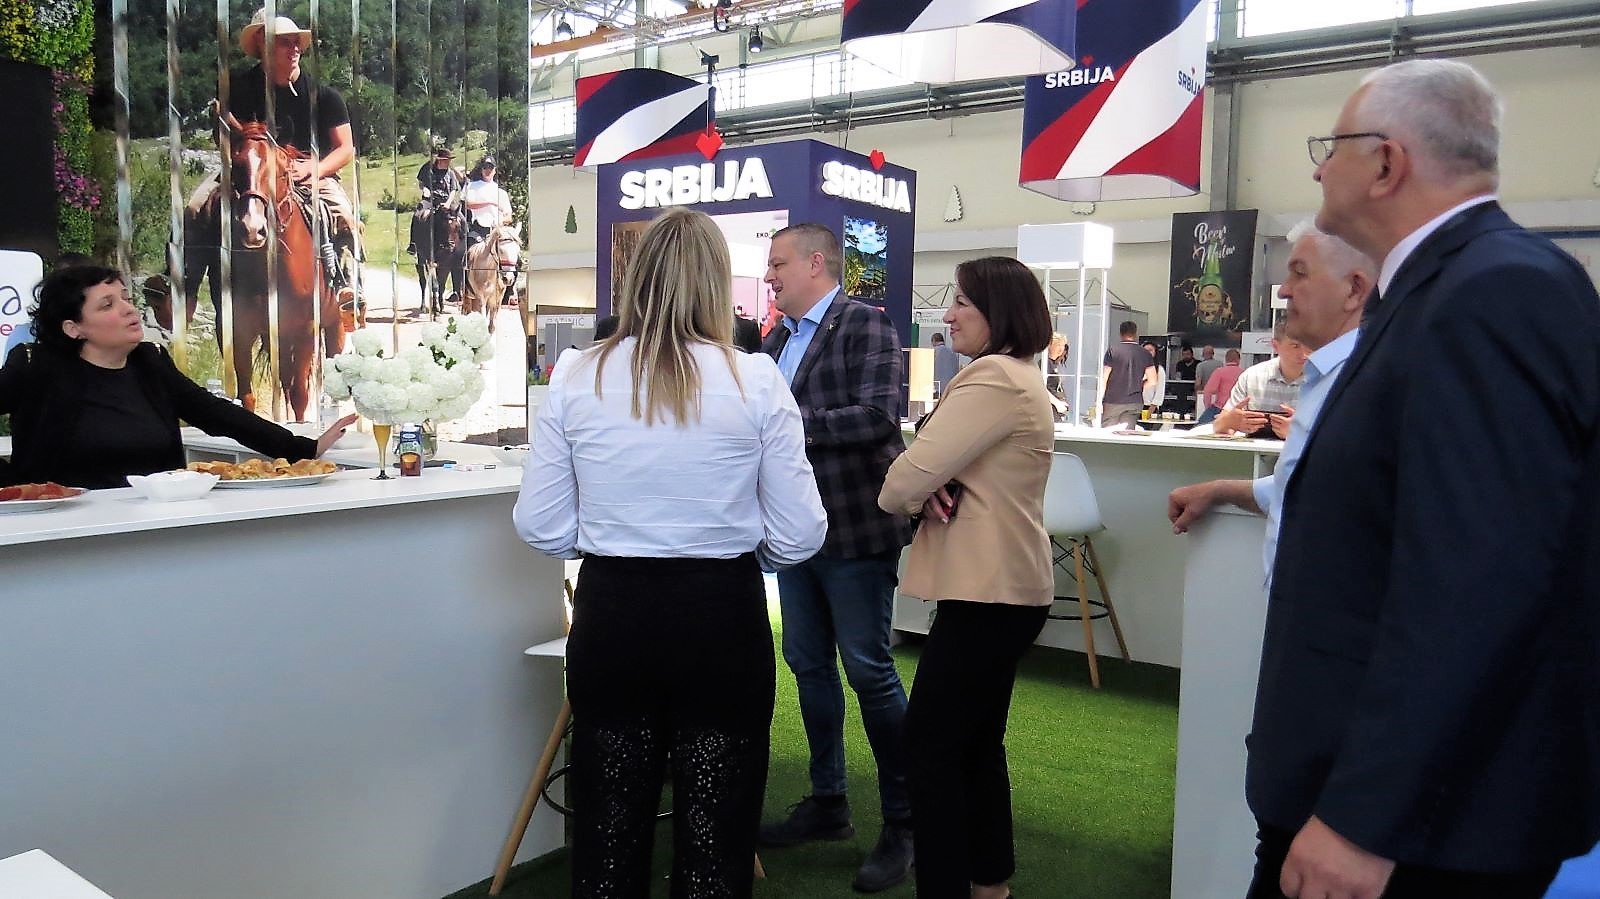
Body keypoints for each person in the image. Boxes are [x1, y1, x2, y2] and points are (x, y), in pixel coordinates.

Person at [1243, 59, 1600, 899]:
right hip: (1374, 793)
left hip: (1418, 829)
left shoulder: (1494, 291)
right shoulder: (1441, 290)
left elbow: (1478, 584)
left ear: (1385, 162)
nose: (1318, 169)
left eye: (1329, 147)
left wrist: (1366, 818)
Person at [512, 208, 827, 897]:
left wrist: (608, 538)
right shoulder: (755, 379)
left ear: (637, 278)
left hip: (613, 610)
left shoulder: (577, 373)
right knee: (716, 833)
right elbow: (801, 532)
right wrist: (737, 552)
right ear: (717, 282)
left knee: (608, 829)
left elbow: (540, 524)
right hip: (721, 612)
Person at [878, 256, 1054, 899]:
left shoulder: (993, 378)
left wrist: (922, 486)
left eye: (962, 304)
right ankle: (988, 882)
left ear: (998, 314)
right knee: (976, 743)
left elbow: (902, 480)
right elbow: (929, 474)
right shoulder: (1017, 376)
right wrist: (929, 484)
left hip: (989, 592)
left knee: (930, 748)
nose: (947, 315)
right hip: (1002, 589)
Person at [757, 222, 915, 892]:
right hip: (796, 533)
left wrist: (783, 425)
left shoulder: (864, 323)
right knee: (808, 664)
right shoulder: (774, 341)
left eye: (778, 263)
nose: (769, 275)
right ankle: (829, 803)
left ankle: (905, 821)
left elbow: (877, 417)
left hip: (854, 529)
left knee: (868, 670)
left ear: (816, 262)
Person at [0, 265, 354, 490]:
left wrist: (302, 449)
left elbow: (215, 413)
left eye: (125, 298)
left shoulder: (149, 361)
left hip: (156, 522)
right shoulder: (34, 366)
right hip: (63, 531)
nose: (128, 309)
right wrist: (11, 486)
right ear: (73, 328)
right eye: (107, 305)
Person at [1167, 221, 1374, 585]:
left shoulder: (1370, 384)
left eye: (1300, 273)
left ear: (1354, 289)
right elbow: (1293, 488)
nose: (1285, 290)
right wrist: (1218, 489)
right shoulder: (1324, 377)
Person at [212, 10, 359, 307]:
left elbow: (346, 149)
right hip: (251, 170)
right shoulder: (236, 89)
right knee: (196, 208)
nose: (295, 49)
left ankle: (345, 285)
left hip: (309, 172)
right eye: (284, 43)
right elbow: (223, 134)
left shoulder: (325, 96)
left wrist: (315, 168)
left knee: (343, 214)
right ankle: (181, 284)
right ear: (262, 45)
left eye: (296, 43)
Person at [1211, 326, 1310, 437]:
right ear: (1275, 346)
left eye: (1309, 345)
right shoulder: (1252, 377)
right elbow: (1218, 426)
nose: (1304, 354)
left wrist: (1298, 434)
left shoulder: (1322, 381)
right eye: (1295, 346)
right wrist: (1229, 421)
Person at [1096, 320, 1155, 426]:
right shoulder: (1145, 354)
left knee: (1108, 431)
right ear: (1135, 333)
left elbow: (1104, 378)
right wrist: (1140, 386)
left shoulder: (1113, 351)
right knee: (1128, 432)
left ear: (1120, 333)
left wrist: (1098, 400)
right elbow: (1153, 380)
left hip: (1113, 400)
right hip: (1134, 400)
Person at [407, 146, 463, 255]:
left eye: (449, 160)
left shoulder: (450, 173)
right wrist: (425, 190)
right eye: (446, 160)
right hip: (430, 200)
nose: (448, 162)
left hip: (446, 200)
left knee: (462, 219)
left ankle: (464, 243)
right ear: (439, 160)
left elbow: (453, 190)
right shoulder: (428, 169)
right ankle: (413, 244)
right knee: (417, 214)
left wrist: (448, 203)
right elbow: (421, 183)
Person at [462, 156, 513, 248]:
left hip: (498, 230)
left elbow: (509, 216)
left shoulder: (501, 192)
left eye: (491, 167)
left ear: (495, 170)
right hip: (478, 230)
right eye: (485, 167)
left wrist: (501, 221)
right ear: (481, 169)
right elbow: (468, 204)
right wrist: (490, 202)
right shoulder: (472, 186)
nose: (488, 170)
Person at [1197, 348, 1242, 424]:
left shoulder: (1219, 371)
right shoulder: (1244, 373)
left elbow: (1208, 391)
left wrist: (1208, 407)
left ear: (1226, 359)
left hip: (1220, 408)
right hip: (1236, 409)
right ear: (1238, 360)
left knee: (1200, 425)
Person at [1141, 341, 1167, 412]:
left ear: (1155, 352)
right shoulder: (1137, 368)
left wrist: (1150, 410)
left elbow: (1159, 393)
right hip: (1135, 406)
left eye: (1150, 350)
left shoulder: (1159, 370)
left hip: (1150, 407)